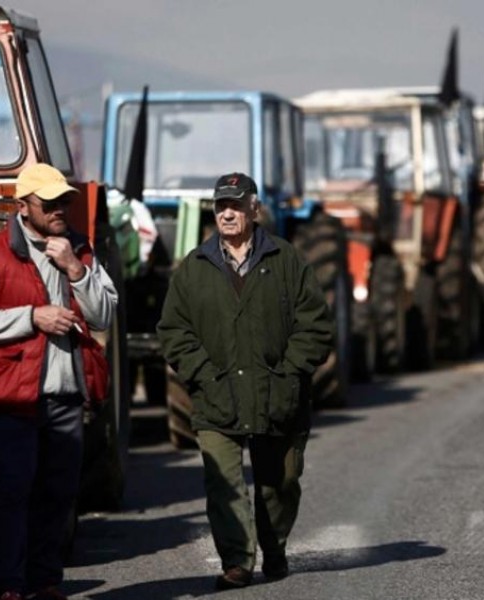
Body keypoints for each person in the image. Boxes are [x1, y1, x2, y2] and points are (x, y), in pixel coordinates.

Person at [157, 172, 333, 590]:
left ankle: (274, 549)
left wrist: (290, 373)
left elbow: (316, 326)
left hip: (278, 394)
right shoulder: (193, 268)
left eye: (236, 205)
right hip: (217, 395)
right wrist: (202, 374)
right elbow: (173, 330)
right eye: (221, 207)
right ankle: (236, 561)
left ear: (254, 209)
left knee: (280, 481)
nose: (228, 213)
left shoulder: (287, 260)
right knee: (224, 484)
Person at [0, 163, 119, 600]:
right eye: (49, 203)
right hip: (16, 397)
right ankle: (7, 584)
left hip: (66, 395)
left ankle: (45, 582)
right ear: (24, 206)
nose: (59, 209)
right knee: (13, 493)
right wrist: (32, 317)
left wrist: (75, 270)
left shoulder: (79, 251)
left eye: (63, 200)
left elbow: (104, 315)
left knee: (58, 495)